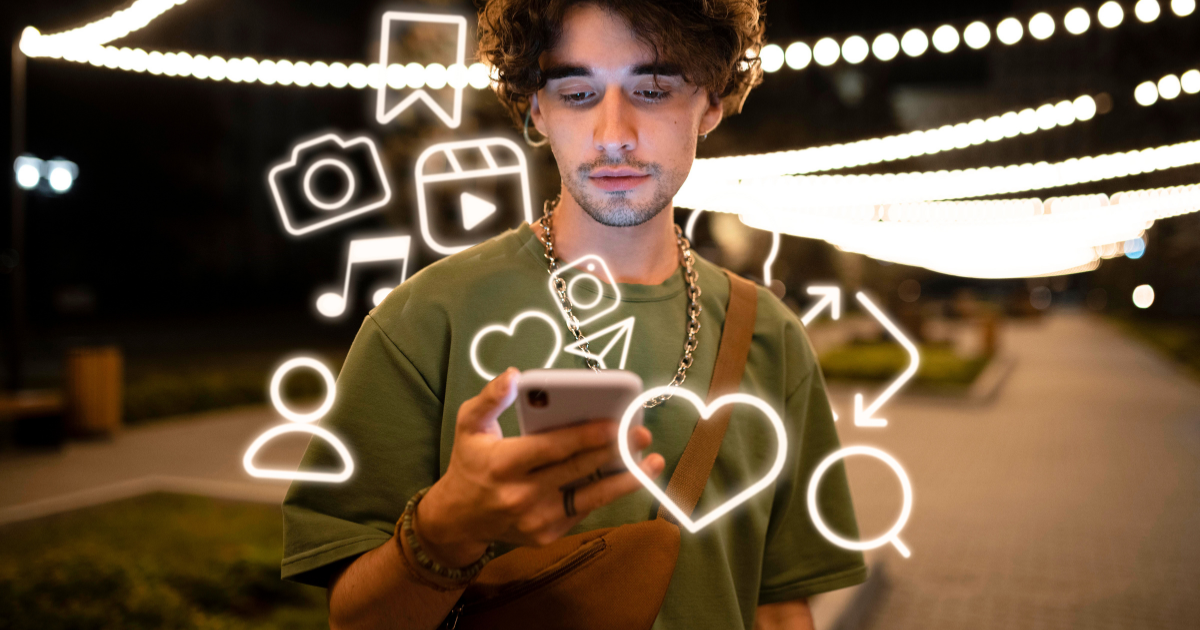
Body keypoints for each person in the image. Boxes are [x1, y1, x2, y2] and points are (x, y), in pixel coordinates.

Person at [281, 1, 867, 628]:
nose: (613, 132)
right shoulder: (425, 321)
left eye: (651, 88)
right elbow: (354, 619)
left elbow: (780, 608)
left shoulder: (773, 337)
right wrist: (446, 530)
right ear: (538, 108)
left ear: (712, 103)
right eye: (579, 92)